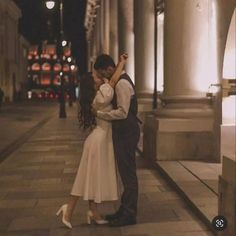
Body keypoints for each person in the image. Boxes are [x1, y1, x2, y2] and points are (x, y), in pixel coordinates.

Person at [56, 54, 128, 229]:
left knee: (90, 177)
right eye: (96, 77)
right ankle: (69, 209)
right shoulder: (101, 96)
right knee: (85, 177)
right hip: (98, 141)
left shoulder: (97, 96)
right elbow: (112, 82)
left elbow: (110, 82)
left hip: (99, 140)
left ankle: (92, 212)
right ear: (92, 84)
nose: (100, 77)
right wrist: (121, 62)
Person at [94, 54, 140, 227]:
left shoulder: (121, 83)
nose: (104, 78)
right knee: (125, 172)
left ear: (109, 68)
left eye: (103, 74)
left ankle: (129, 214)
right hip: (125, 131)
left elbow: (122, 112)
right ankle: (125, 209)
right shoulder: (120, 80)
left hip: (126, 132)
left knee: (128, 174)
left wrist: (100, 115)